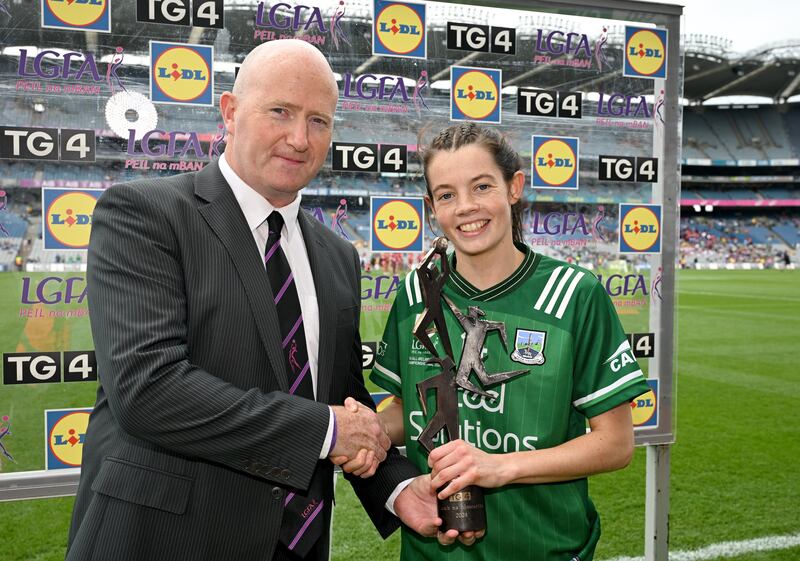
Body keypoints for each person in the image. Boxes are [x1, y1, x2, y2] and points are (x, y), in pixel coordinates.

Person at [66, 40, 439, 561]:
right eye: (280, 112)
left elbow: (345, 400)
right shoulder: (145, 214)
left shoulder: (336, 257)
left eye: (319, 121)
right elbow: (148, 390)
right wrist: (328, 430)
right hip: (164, 542)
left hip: (297, 545)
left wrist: (399, 490)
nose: (299, 138)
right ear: (231, 112)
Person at [353, 123, 651, 560]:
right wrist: (363, 432)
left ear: (514, 187)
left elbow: (616, 444)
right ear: (431, 207)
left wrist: (499, 467)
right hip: (432, 550)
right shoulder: (417, 293)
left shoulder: (575, 294)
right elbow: (407, 409)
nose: (466, 207)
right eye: (447, 195)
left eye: (482, 186)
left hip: (543, 547)